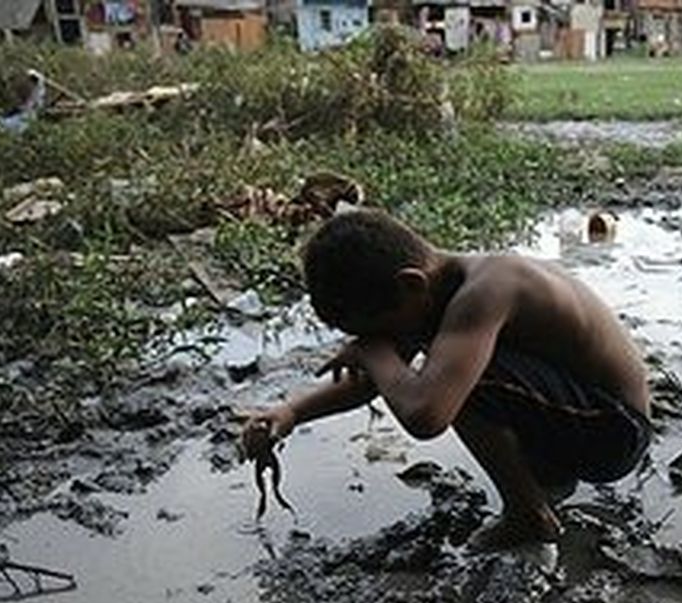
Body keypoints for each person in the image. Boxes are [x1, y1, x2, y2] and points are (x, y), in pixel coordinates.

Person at [240, 209, 653, 551]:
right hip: (577, 416)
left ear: (410, 284)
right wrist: (291, 412)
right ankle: (547, 482)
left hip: (615, 434)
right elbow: (382, 377)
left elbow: (426, 414)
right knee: (442, 374)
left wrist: (372, 352)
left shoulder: (488, 289)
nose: (378, 344)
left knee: (455, 384)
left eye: (378, 331)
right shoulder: (427, 293)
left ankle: (529, 515)